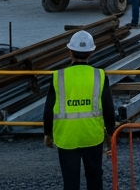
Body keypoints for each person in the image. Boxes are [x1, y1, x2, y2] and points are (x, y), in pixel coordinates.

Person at [42, 30, 115, 190]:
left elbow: (48, 109)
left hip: (67, 137)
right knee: (95, 177)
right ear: (91, 52)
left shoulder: (58, 76)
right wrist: (111, 132)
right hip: (92, 135)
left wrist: (48, 133)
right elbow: (109, 107)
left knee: (70, 181)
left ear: (70, 52)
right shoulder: (99, 75)